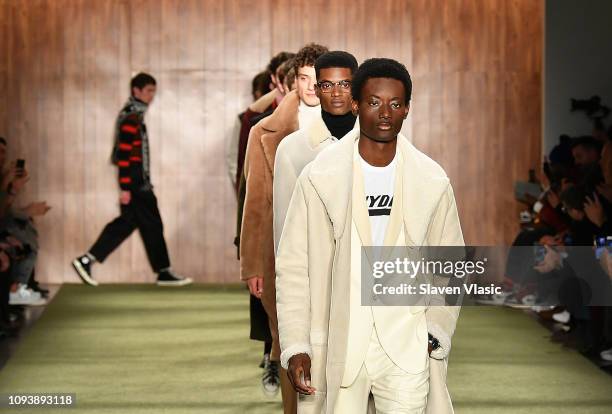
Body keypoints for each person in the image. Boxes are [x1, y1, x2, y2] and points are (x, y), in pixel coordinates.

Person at [276, 58, 463, 413]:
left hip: (407, 344)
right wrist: (297, 344)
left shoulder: (432, 181)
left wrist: (434, 330)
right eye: (374, 102)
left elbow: (451, 262)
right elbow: (293, 265)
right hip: (340, 339)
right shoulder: (319, 177)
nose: (385, 113)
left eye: (395, 104)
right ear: (357, 104)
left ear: (407, 108)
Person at [240, 43, 328, 411]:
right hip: (281, 254)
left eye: (316, 79)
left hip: (332, 252)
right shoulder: (265, 131)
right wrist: (253, 265)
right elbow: (255, 203)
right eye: (303, 78)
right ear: (292, 81)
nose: (310, 87)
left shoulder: (353, 125)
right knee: (290, 343)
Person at [72, 73, 191, 287]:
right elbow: (124, 156)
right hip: (136, 180)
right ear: (136, 91)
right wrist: (125, 187)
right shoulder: (131, 116)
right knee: (151, 222)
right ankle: (163, 271)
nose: (151, 96)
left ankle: (87, 259)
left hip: (136, 179)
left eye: (153, 91)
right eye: (148, 91)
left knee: (129, 223)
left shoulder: (133, 113)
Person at [273, 50, 358, 253]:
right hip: (316, 265)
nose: (336, 93)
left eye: (344, 84)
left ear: (357, 88)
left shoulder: (380, 144)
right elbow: (285, 224)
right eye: (327, 85)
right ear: (317, 90)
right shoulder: (291, 148)